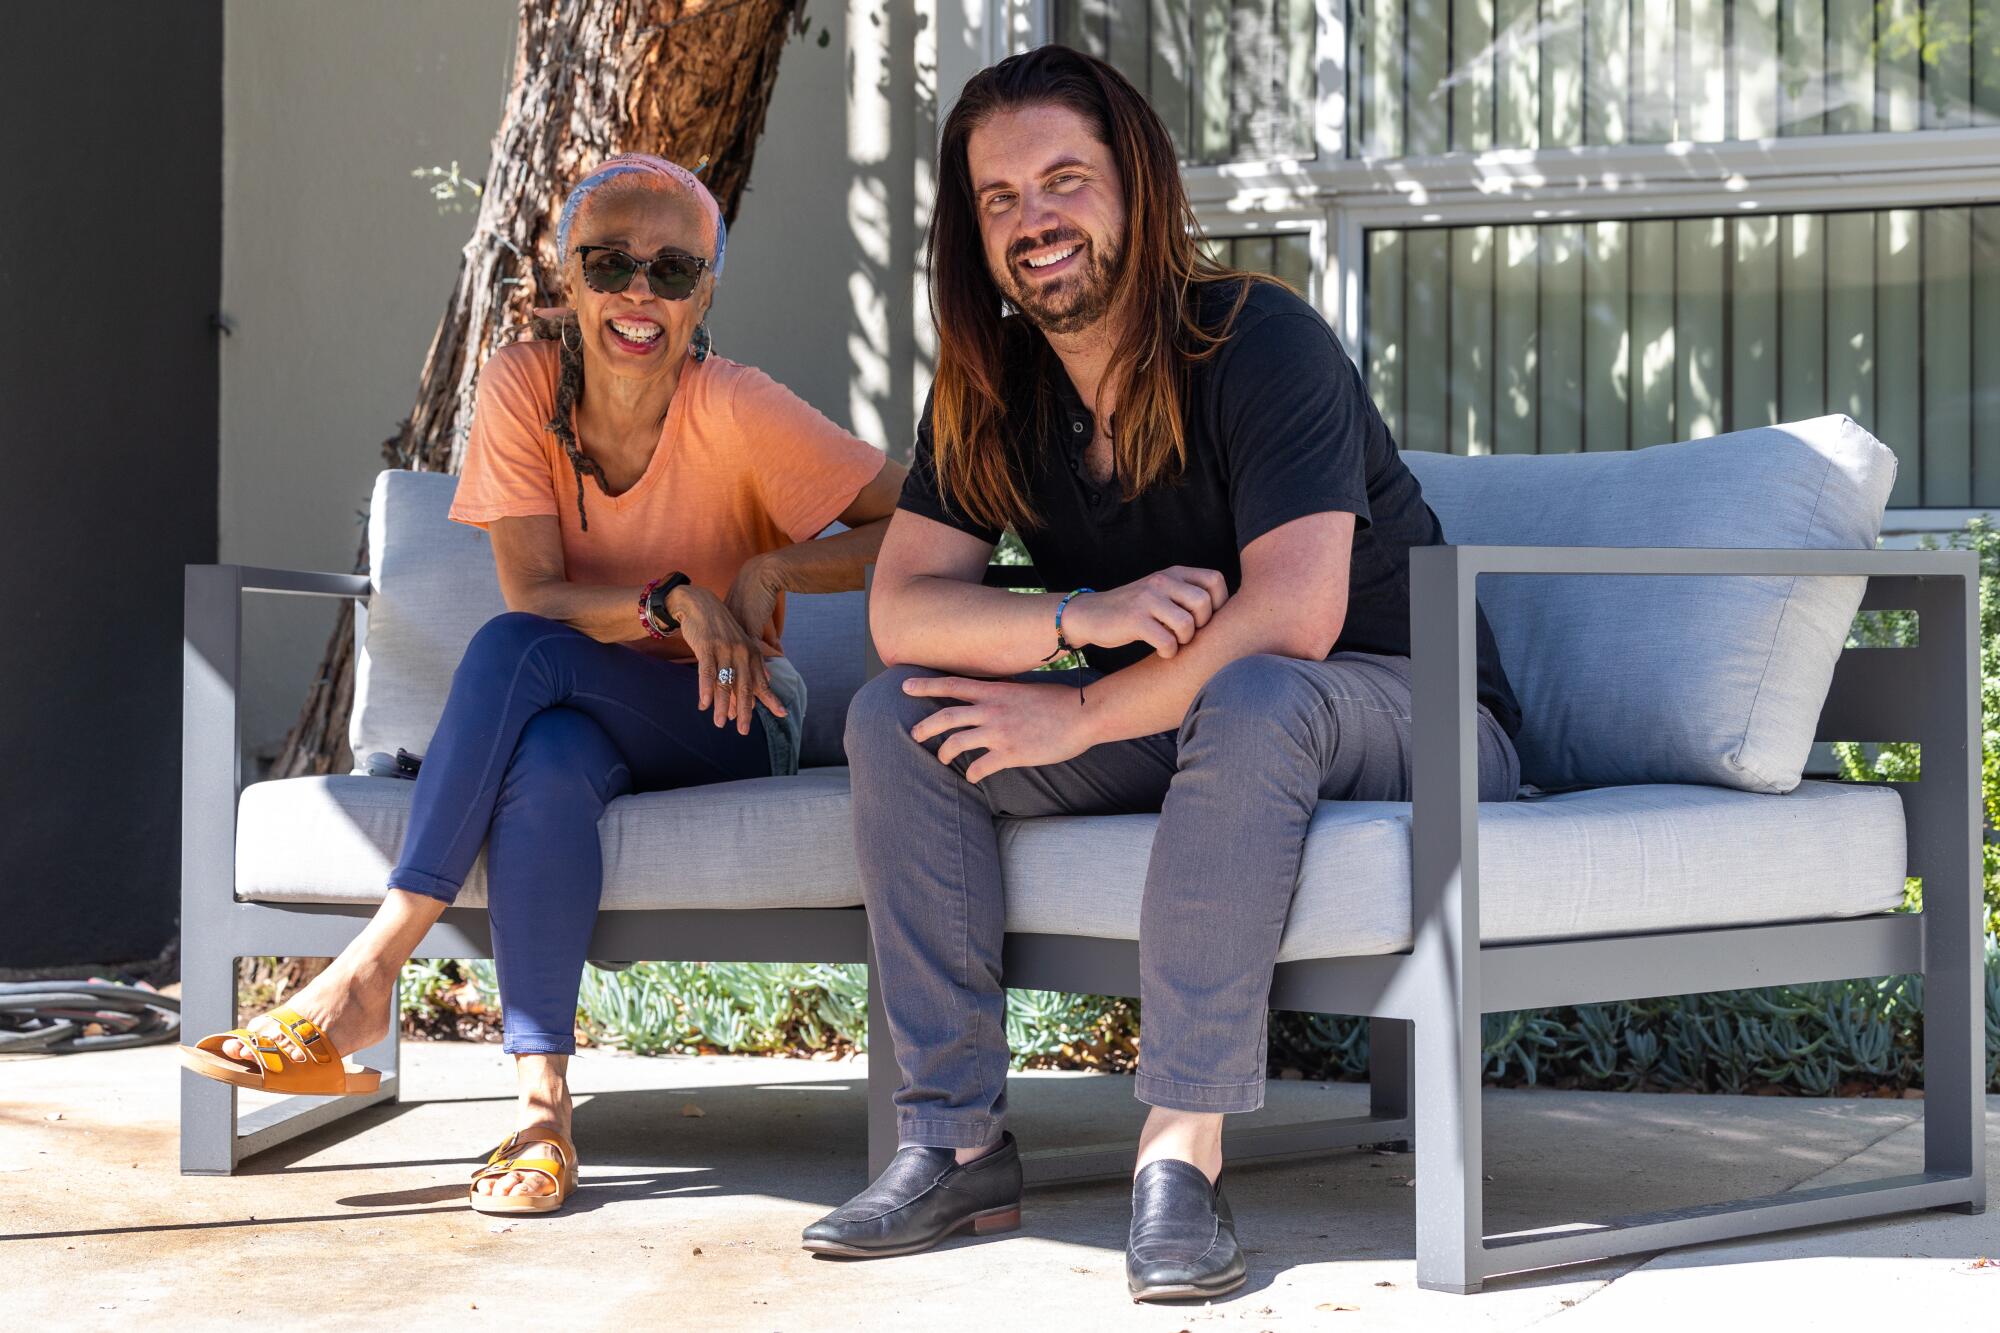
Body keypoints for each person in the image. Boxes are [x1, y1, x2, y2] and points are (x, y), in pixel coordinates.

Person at [801, 47, 1522, 1300]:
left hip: (1413, 712)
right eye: (1000, 199)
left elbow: (1295, 617)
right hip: (1199, 719)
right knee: (898, 719)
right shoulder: (993, 389)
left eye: (1064, 181)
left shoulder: (1257, 337)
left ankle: (1177, 1157)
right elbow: (901, 610)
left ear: (1134, 188)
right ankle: (953, 1138)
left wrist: (1074, 711)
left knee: (1251, 691)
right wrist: (1081, 617)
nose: (1036, 222)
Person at [181, 153, 905, 1214]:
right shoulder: (522, 383)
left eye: (671, 270)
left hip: (732, 712)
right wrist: (666, 600)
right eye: (609, 264)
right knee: (550, 757)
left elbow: (923, 521)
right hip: (591, 717)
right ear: (566, 276)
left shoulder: (739, 407)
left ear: (706, 289)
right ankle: (541, 1111)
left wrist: (770, 570)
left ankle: (365, 976)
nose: (637, 295)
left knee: (512, 652)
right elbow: (536, 589)